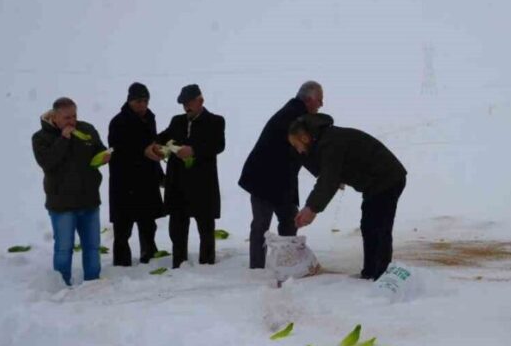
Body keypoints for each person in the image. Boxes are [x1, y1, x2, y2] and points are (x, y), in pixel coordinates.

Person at [289, 114, 407, 280]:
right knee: (369, 225)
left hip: (387, 178)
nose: (298, 151)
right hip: (377, 182)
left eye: (297, 145)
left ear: (304, 137)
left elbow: (328, 179)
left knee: (378, 226)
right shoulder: (325, 140)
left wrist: (311, 208)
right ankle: (371, 272)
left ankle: (380, 275)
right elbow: (328, 174)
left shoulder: (330, 142)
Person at [238, 81, 325, 269]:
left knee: (287, 221)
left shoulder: (295, 113)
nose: (321, 105)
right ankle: (258, 268)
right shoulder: (295, 117)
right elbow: (304, 152)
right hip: (263, 178)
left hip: (281, 180)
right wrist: (322, 172)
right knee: (262, 224)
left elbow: (301, 153)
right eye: (320, 100)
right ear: (309, 100)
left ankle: (287, 263)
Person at [31, 97, 110, 286]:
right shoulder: (41, 138)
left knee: (92, 246)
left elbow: (99, 150)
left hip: (89, 199)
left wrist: (104, 156)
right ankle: (61, 283)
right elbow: (47, 163)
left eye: (74, 116)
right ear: (55, 117)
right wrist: (64, 139)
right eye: (67, 118)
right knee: (64, 248)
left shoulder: (87, 129)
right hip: (61, 204)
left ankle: (93, 281)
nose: (72, 121)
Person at [149, 84, 226, 268]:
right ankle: (179, 262)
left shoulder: (215, 121)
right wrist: (157, 147)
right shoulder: (177, 121)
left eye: (189, 103)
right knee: (177, 228)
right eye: (183, 104)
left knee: (205, 227)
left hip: (203, 184)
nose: (186, 107)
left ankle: (207, 263)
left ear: (200, 101)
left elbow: (218, 145)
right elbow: (163, 137)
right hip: (178, 184)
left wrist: (193, 150)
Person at [107, 82, 166, 266]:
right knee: (123, 227)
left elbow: (153, 144)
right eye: (138, 101)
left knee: (148, 223)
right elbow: (117, 149)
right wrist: (143, 151)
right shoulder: (118, 122)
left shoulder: (150, 118)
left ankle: (149, 254)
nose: (142, 105)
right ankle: (122, 262)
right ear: (130, 101)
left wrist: (160, 174)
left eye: (145, 101)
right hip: (124, 181)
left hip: (147, 179)